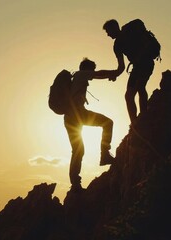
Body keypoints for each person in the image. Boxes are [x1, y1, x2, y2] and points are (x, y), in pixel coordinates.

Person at [65, 58, 115, 192]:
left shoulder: (77, 78)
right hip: (77, 115)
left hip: (71, 117)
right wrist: (114, 72)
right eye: (91, 70)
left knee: (78, 150)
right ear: (87, 69)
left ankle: (75, 183)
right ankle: (104, 155)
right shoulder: (81, 74)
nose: (92, 73)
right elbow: (100, 74)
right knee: (107, 123)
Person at [103, 19, 155, 123]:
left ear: (115, 28)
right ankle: (134, 123)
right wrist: (115, 74)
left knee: (140, 87)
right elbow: (121, 67)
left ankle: (143, 116)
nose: (108, 35)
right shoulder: (117, 45)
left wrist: (116, 73)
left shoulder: (128, 33)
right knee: (129, 95)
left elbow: (121, 67)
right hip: (137, 67)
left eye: (108, 31)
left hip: (146, 63)